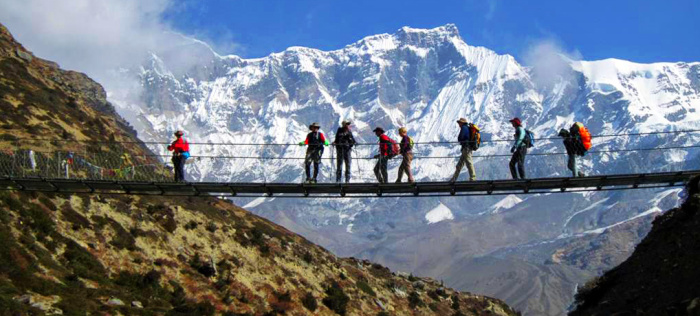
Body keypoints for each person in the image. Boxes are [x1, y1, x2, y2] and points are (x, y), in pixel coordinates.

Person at [450, 118, 476, 182]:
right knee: (459, 165)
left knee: (469, 163)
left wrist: (460, 139)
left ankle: (473, 178)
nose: (459, 124)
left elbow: (460, 137)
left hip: (466, 148)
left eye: (459, 123)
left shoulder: (464, 128)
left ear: (462, 123)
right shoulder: (467, 127)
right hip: (466, 148)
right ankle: (453, 179)